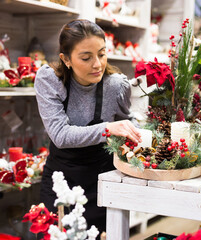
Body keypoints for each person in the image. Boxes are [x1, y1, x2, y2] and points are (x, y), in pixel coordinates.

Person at [34, 19, 142, 234]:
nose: (97, 64)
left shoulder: (116, 85)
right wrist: (107, 129)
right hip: (60, 182)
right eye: (86, 57)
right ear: (66, 59)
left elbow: (126, 121)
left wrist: (135, 132)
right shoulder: (49, 81)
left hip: (101, 183)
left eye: (101, 54)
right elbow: (60, 135)